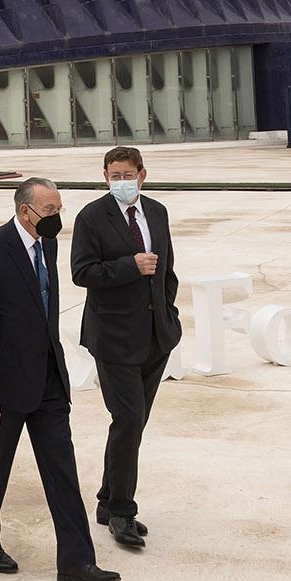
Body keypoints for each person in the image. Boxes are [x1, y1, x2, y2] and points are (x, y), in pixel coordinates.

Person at [0, 177, 121, 581]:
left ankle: (76, 561)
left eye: (59, 209)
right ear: (24, 212)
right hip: (5, 385)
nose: (57, 218)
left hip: (49, 380)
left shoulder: (47, 245)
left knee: (63, 470)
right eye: (50, 211)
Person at [70, 145, 182, 551]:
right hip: (114, 339)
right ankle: (121, 511)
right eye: (113, 175)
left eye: (127, 174)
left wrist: (168, 314)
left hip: (155, 336)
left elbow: (167, 269)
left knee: (134, 424)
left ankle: (106, 499)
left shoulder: (157, 212)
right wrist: (129, 266)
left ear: (142, 175)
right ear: (104, 177)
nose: (121, 181)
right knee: (128, 419)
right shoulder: (91, 218)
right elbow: (82, 272)